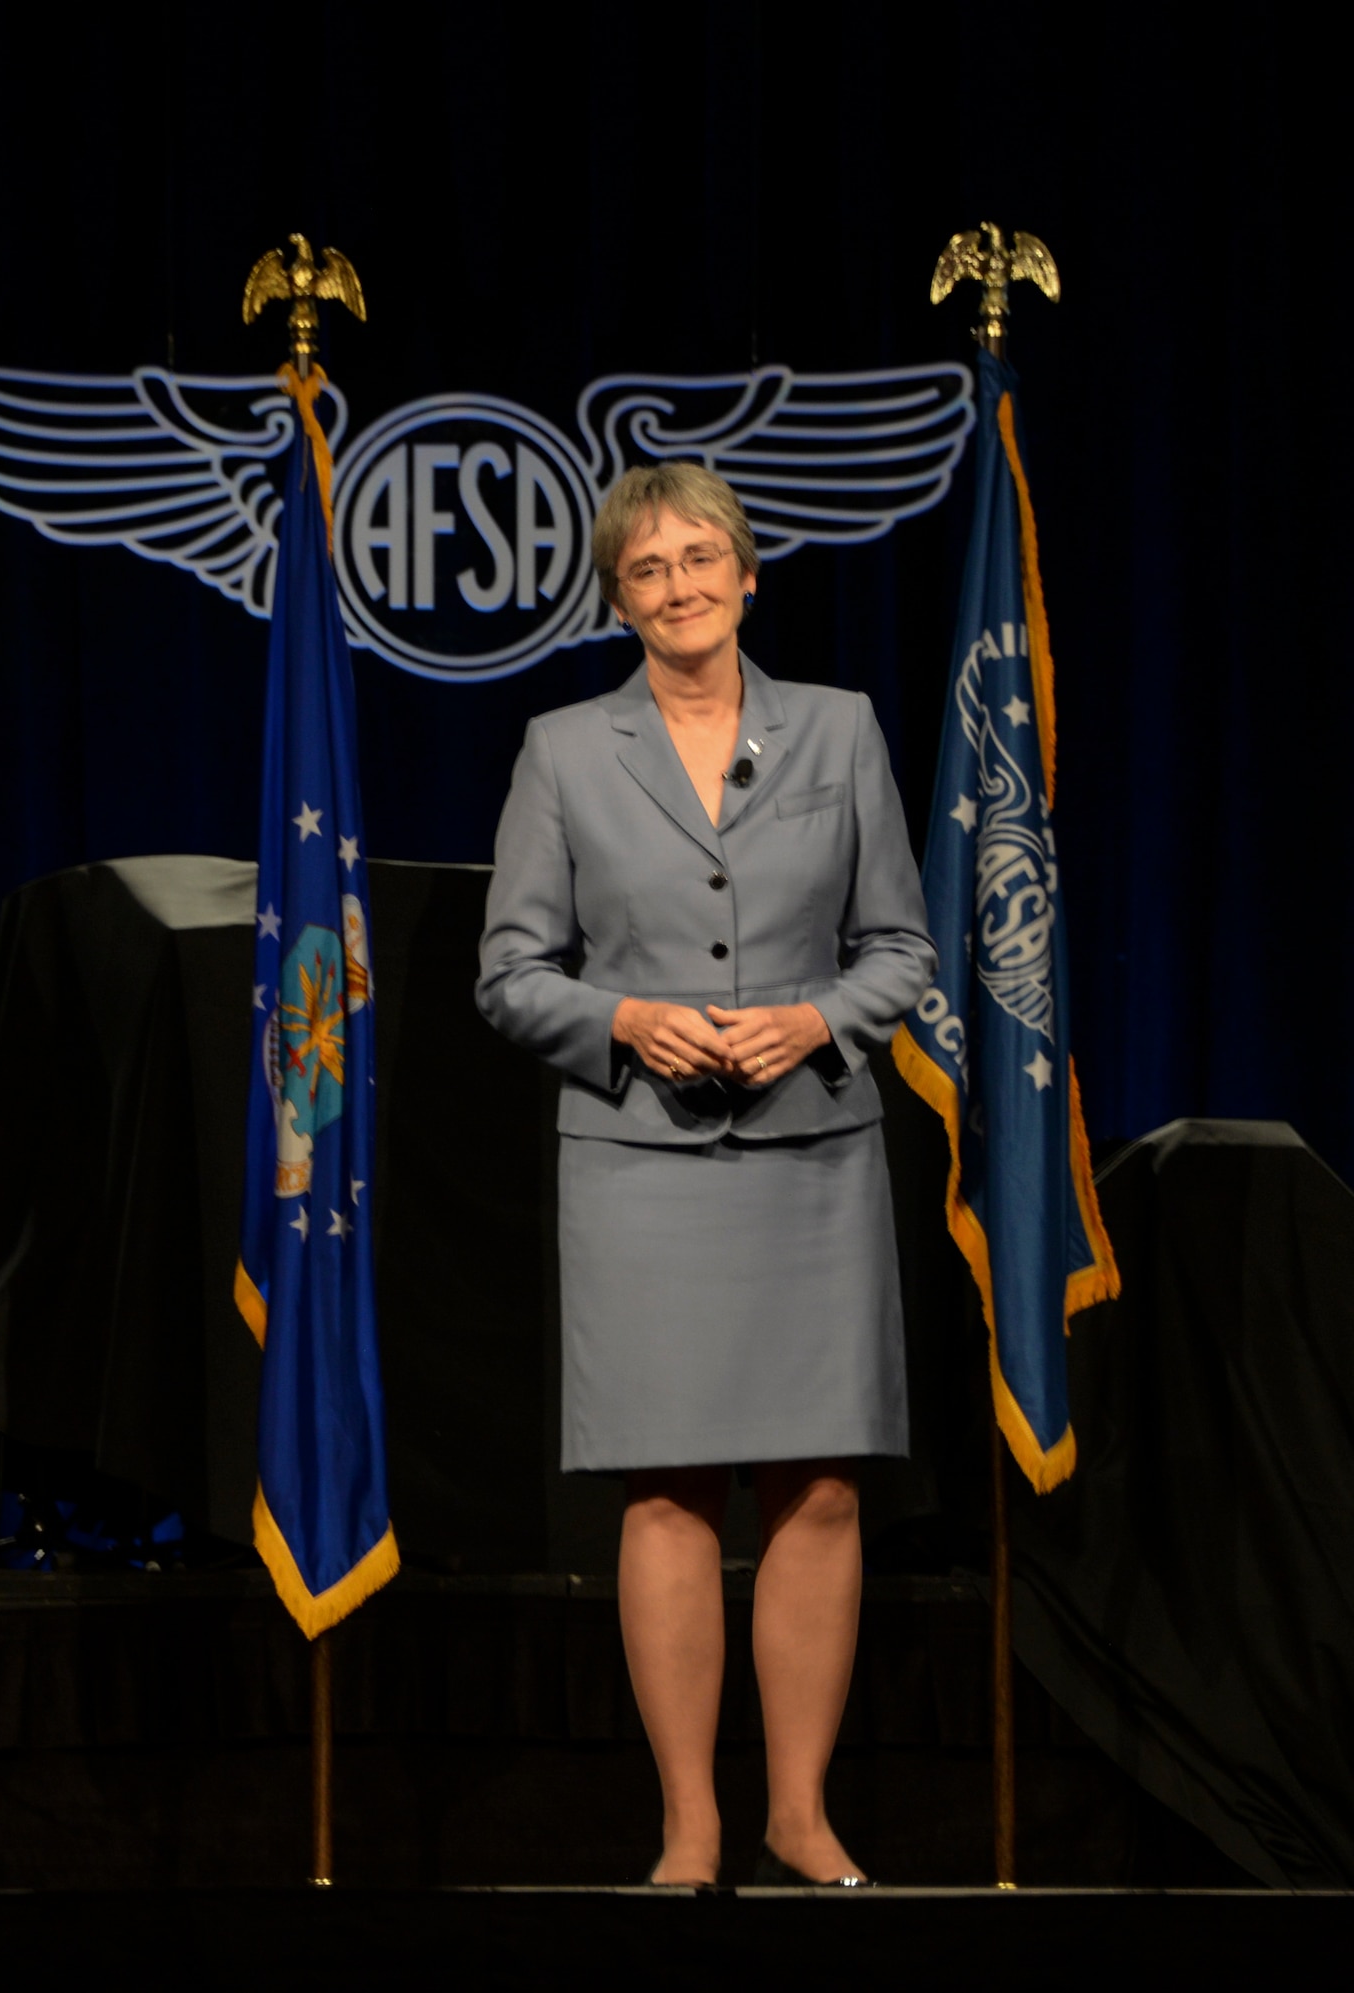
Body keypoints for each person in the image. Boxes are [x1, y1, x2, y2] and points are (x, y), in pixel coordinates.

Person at [475, 463, 936, 1888]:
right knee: (664, 1491)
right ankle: (692, 1824)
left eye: (699, 559)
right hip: (642, 1170)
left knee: (821, 1490)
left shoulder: (843, 731)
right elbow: (506, 974)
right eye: (646, 570)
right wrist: (622, 1018)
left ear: (749, 573)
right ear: (620, 596)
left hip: (810, 1157)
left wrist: (819, 1020)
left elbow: (904, 954)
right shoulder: (563, 749)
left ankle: (800, 1813)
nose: (677, 587)